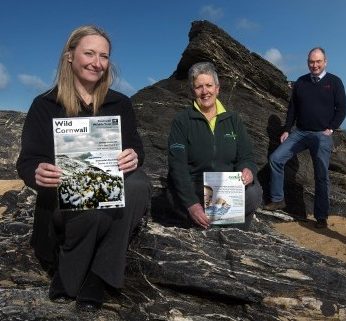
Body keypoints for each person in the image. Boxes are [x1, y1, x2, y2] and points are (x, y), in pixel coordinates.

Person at [16, 25, 151, 310]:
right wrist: (37, 173)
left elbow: (136, 148)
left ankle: (98, 276)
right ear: (69, 56)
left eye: (103, 56)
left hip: (109, 190)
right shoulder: (44, 105)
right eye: (89, 53)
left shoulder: (120, 103)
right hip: (63, 203)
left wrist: (133, 156)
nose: (97, 62)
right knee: (94, 211)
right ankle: (70, 271)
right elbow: (27, 161)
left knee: (138, 185)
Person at [167, 62, 262, 230]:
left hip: (226, 190)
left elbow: (246, 156)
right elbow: (177, 167)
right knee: (176, 198)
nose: (205, 91)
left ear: (217, 88)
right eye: (199, 87)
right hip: (195, 189)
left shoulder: (233, 119)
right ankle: (212, 221)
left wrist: (247, 170)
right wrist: (192, 205)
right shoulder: (181, 121)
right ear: (192, 91)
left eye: (209, 85)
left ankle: (224, 228)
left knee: (254, 193)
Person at [263, 47, 346, 229]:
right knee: (276, 159)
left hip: (321, 135)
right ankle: (278, 199)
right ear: (308, 63)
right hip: (300, 133)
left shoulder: (334, 82)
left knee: (321, 174)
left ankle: (321, 216)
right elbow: (293, 108)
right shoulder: (301, 82)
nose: (314, 65)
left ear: (325, 62)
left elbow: (342, 109)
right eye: (311, 62)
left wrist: (331, 129)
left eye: (318, 61)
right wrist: (286, 129)